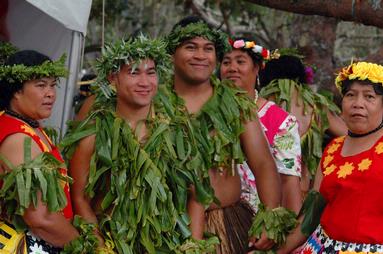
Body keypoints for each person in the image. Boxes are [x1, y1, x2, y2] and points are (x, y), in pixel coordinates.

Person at [63, 35, 216, 253]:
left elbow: (196, 196)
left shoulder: (178, 133)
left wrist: (192, 246)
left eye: (151, 72)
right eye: (134, 73)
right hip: (109, 244)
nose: (145, 82)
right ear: (112, 79)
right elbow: (79, 199)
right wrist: (99, 248)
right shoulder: (94, 136)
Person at [160, 16, 295, 254]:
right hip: (164, 226)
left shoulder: (235, 104)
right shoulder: (155, 103)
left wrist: (270, 217)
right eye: (190, 47)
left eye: (208, 49)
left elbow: (264, 164)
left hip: (225, 224)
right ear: (172, 53)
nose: (200, 56)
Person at [277, 61, 383, 254]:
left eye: (369, 96)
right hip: (321, 248)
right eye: (350, 95)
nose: (358, 103)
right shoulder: (333, 148)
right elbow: (313, 212)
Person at [0, 50, 79, 253]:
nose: (51, 93)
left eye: (53, 85)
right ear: (16, 91)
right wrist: (82, 246)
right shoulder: (18, 139)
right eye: (41, 85)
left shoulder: (27, 126)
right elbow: (40, 218)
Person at [220, 38, 302, 214]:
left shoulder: (280, 121)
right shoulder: (208, 111)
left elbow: (289, 182)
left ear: (257, 68)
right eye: (226, 62)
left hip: (257, 219)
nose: (232, 68)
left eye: (240, 62)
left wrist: (288, 232)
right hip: (214, 216)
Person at [259, 53, 347, 196]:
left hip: (264, 194)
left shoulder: (258, 104)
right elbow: (349, 134)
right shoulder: (316, 105)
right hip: (302, 191)